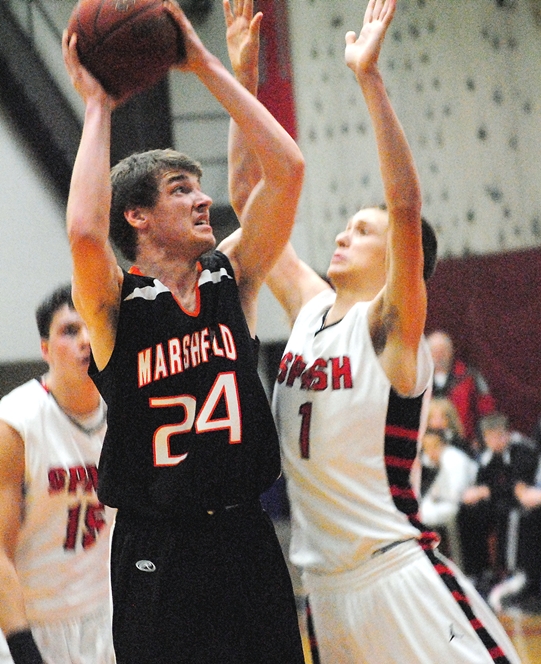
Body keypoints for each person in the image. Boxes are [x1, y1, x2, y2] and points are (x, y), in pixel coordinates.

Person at [228, 0, 521, 661]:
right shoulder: (306, 308)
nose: (340, 233)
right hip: (324, 594)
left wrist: (369, 80)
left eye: (362, 231)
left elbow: (405, 204)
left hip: (395, 577)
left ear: (399, 258)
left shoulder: (391, 328)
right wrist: (241, 81)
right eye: (345, 225)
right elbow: (251, 195)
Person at [62, 0, 306, 662]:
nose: (202, 199)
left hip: (245, 536)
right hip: (157, 550)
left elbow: (286, 171)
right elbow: (85, 232)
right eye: (179, 189)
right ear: (137, 216)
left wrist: (204, 64)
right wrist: (96, 104)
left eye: (198, 188)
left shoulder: (233, 280)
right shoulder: (119, 306)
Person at [0, 285, 115, 664]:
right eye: (69, 330)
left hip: (108, 619)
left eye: (90, 327)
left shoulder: (125, 412)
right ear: (45, 349)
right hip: (32, 624)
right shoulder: (16, 423)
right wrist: (22, 647)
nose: (85, 340)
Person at [458, 412, 539, 598]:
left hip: (519, 502)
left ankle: (513, 570)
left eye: (497, 436)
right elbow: (482, 484)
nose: (493, 441)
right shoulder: (487, 457)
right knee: (469, 511)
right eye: (488, 437)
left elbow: (519, 487)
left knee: (511, 513)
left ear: (506, 434)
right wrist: (480, 492)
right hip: (500, 499)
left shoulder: (522, 450)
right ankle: (476, 570)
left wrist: (488, 491)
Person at [427, 330, 496, 453]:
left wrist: (479, 440)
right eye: (434, 351)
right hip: (426, 448)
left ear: (451, 352)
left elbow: (487, 413)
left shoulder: (470, 377)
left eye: (443, 350)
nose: (439, 355)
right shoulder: (414, 381)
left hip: (466, 445)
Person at [419, 428, 478, 567]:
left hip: (467, 506)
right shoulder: (434, 461)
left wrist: (437, 495)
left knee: (423, 516)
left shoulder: (453, 459)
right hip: (447, 501)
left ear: (442, 445)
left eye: (433, 447)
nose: (429, 452)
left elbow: (457, 494)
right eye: (426, 448)